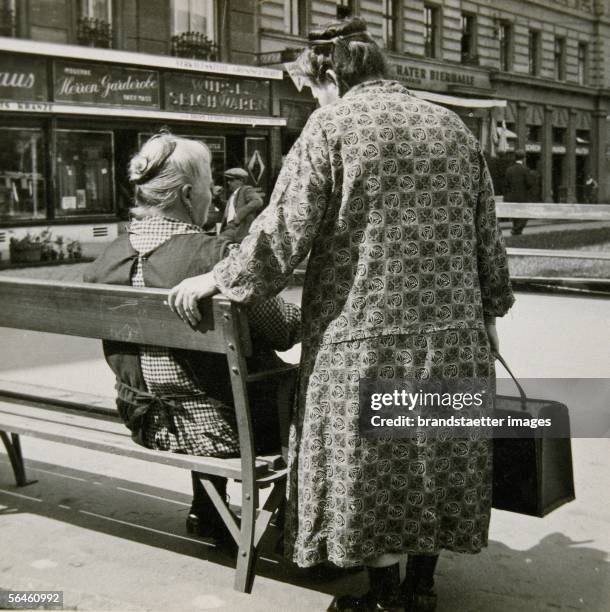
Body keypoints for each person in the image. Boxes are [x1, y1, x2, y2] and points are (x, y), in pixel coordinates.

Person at [167, 18, 514, 612]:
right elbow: (488, 238)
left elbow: (282, 235)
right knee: (432, 455)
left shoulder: (332, 127)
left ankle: (382, 597)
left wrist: (216, 277)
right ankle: (420, 589)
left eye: (310, 87)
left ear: (330, 73)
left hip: (363, 339)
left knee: (372, 467)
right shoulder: (452, 127)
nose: (311, 99)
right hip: (451, 338)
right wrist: (489, 314)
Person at [84, 132, 300, 547]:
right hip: (227, 428)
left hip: (144, 419)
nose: (215, 193)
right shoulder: (216, 257)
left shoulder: (105, 259)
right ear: (186, 194)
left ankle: (207, 508)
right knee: (311, 388)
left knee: (193, 374)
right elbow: (286, 330)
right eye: (207, 184)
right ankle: (295, 522)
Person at [218, 167, 264, 241]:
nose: (228, 182)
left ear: (241, 180)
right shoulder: (232, 195)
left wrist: (239, 215)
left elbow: (257, 201)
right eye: (228, 180)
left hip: (239, 229)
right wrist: (216, 199)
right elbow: (228, 211)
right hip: (228, 229)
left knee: (216, 242)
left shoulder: (246, 189)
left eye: (231, 180)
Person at [504, 149, 533, 235]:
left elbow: (506, 184)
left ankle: (517, 230)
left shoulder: (509, 170)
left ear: (515, 158)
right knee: (524, 215)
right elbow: (529, 183)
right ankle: (516, 230)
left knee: (515, 216)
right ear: (523, 158)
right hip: (523, 197)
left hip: (512, 196)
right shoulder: (526, 169)